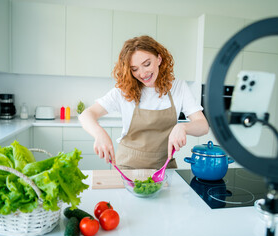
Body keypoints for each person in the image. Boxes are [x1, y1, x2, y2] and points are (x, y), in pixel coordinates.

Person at [79, 35, 209, 169]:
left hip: (164, 168)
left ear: (159, 59)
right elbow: (86, 115)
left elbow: (203, 125)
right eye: (134, 69)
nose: (142, 73)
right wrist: (99, 133)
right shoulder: (123, 91)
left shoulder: (179, 87)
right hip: (127, 166)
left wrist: (183, 127)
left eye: (147, 64)